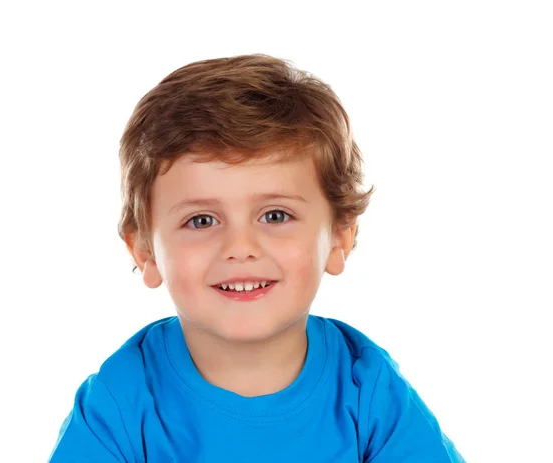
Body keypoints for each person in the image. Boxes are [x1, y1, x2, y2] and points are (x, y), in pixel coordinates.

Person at [49, 54, 465, 462]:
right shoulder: (121, 400)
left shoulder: (368, 391)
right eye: (201, 220)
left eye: (275, 215)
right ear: (145, 252)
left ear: (339, 236)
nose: (240, 246)